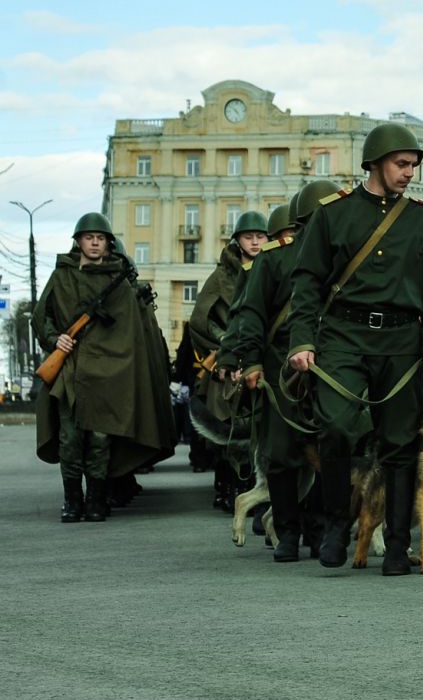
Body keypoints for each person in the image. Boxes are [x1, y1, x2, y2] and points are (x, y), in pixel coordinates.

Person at [288, 122, 423, 574]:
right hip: (342, 336)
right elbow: (306, 283)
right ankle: (336, 524)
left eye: (414, 166)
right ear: (375, 163)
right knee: (337, 427)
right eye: (401, 164)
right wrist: (302, 340)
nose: (409, 174)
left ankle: (398, 545)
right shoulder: (332, 214)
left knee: (400, 443)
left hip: (403, 340)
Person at [220, 180, 341, 561]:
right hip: (279, 370)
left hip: (335, 365)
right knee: (282, 455)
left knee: (331, 449)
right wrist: (252, 361)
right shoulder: (274, 257)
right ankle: (287, 533)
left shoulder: (348, 253)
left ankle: (320, 531)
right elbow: (250, 313)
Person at [34, 213, 174, 522]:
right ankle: (72, 500)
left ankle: (96, 499)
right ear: (79, 241)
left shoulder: (120, 282)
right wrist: (55, 339)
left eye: (101, 238)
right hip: (70, 370)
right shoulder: (62, 276)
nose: (95, 242)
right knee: (70, 440)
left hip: (108, 374)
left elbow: (132, 333)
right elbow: (41, 314)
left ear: (108, 244)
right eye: (89, 237)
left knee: (100, 439)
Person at [186, 209, 271, 512]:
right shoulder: (221, 276)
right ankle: (227, 488)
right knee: (226, 426)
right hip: (225, 363)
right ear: (238, 240)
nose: (255, 241)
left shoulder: (273, 267)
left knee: (259, 428)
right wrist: (224, 342)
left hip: (261, 361)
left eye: (260, 236)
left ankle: (256, 491)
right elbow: (199, 321)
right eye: (249, 236)